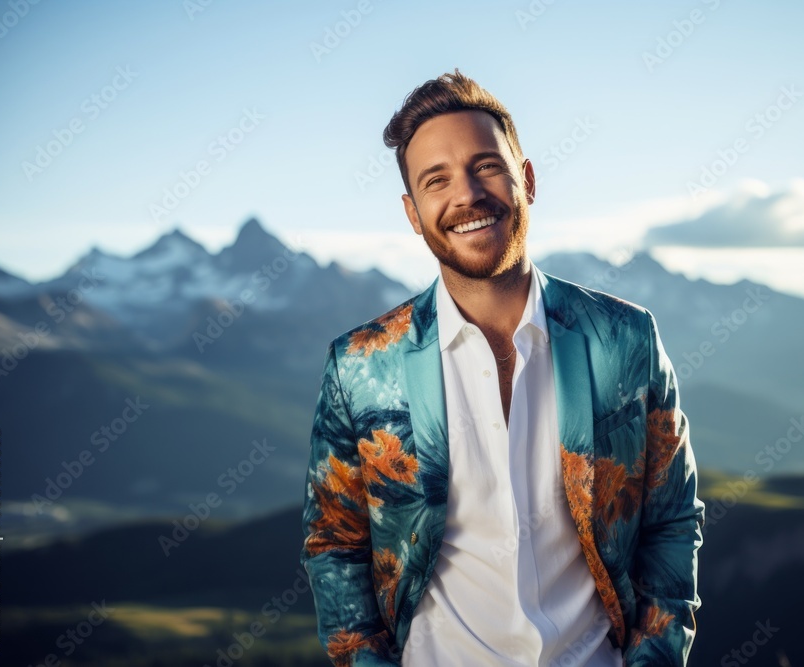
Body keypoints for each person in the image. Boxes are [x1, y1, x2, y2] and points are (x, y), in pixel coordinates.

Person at [301, 70, 704, 666]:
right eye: (436, 180)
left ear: (528, 180)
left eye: (485, 165)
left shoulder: (625, 339)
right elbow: (334, 544)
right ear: (413, 213)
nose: (465, 195)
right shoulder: (360, 366)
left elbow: (672, 518)